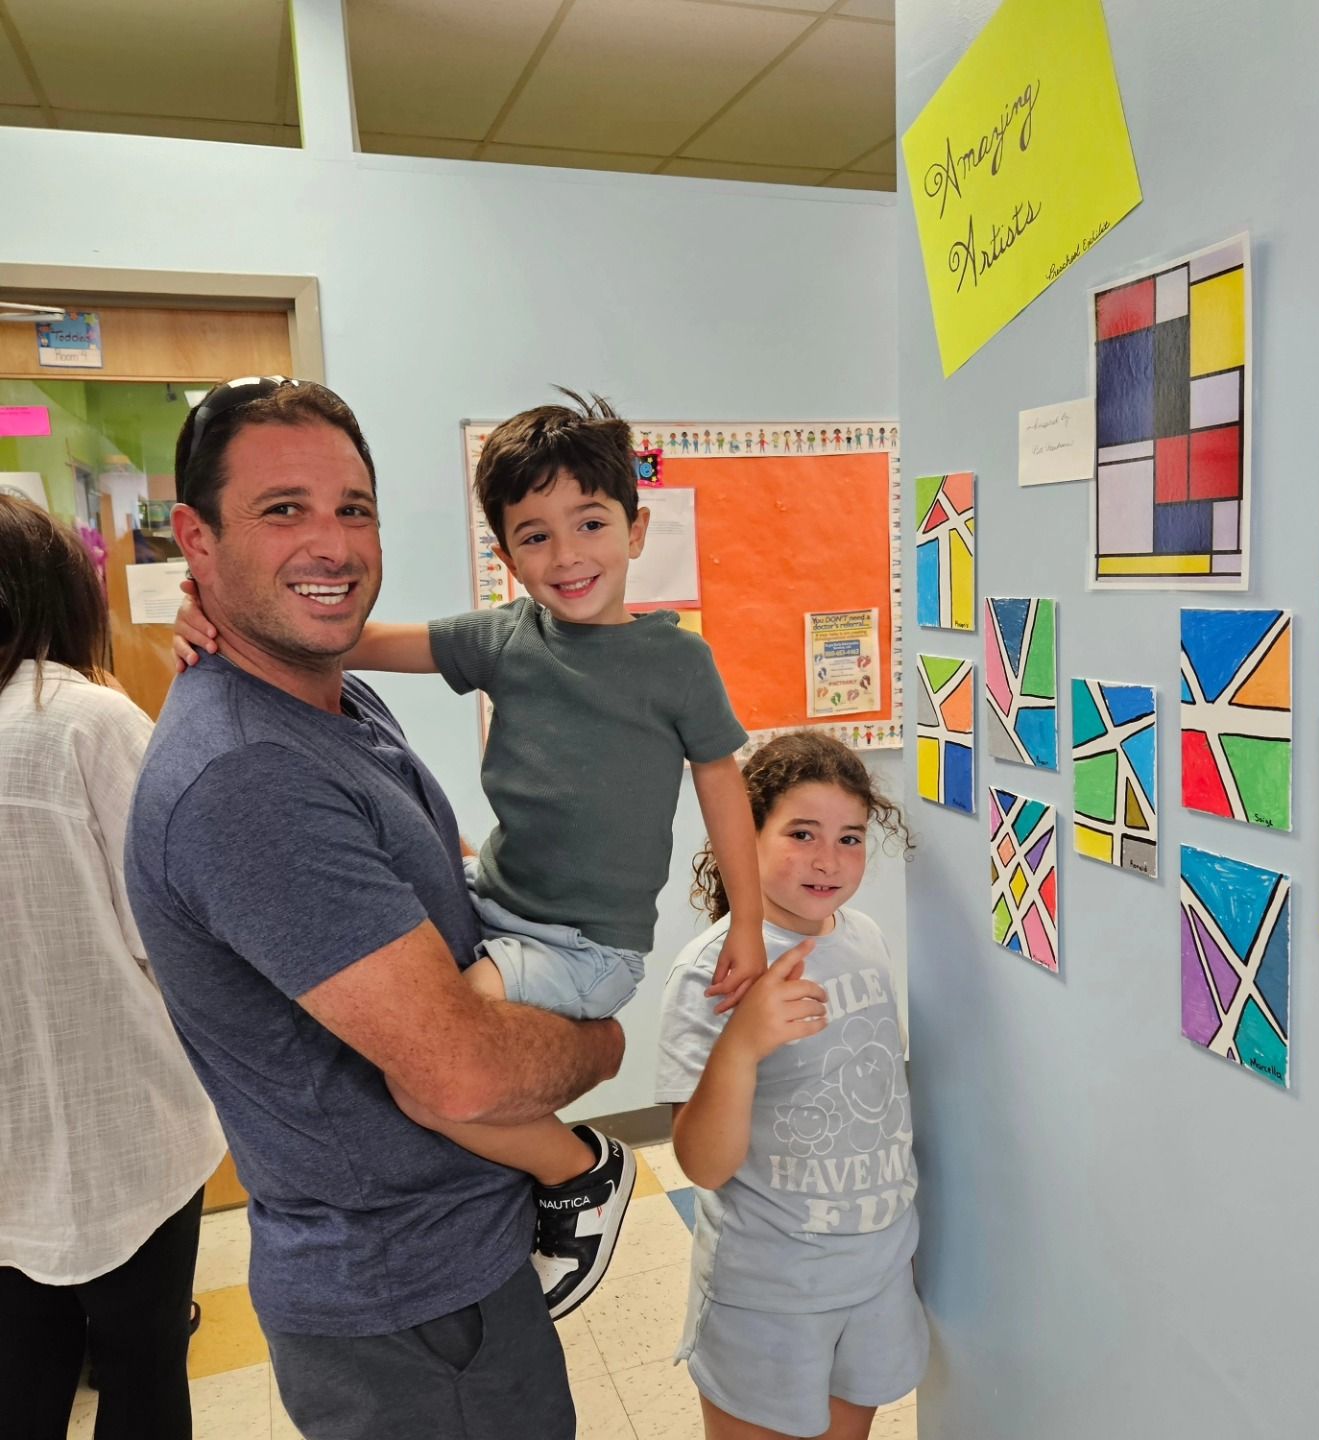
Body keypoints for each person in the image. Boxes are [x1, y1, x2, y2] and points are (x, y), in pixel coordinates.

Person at [172, 388, 768, 1318]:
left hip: (585, 947)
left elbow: (723, 787)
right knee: (425, 1021)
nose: (567, 555)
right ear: (505, 554)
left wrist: (749, 921)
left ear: (637, 529)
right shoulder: (503, 640)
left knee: (428, 1081)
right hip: (495, 897)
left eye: (591, 522)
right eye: (534, 536)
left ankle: (583, 1172)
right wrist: (206, 612)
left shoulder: (677, 665)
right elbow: (342, 636)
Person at [127, 377, 624, 1440]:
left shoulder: (329, 695)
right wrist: (605, 1042)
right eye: (280, 509)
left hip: (451, 1271)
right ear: (194, 539)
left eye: (353, 508)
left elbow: (422, 885)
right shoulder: (248, 776)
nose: (332, 543)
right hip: (411, 1315)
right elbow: (464, 1073)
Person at [0, 495, 226, 1440]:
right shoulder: (82, 721)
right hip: (126, 1126)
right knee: (142, 1379)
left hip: (9, 1146)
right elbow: (171, 928)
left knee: (20, 1385)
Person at [656, 733, 926, 1440]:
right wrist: (742, 1044)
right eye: (801, 833)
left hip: (876, 1271)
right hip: (771, 1292)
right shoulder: (714, 969)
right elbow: (703, 1164)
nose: (828, 860)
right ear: (745, 835)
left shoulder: (863, 935)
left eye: (850, 837)